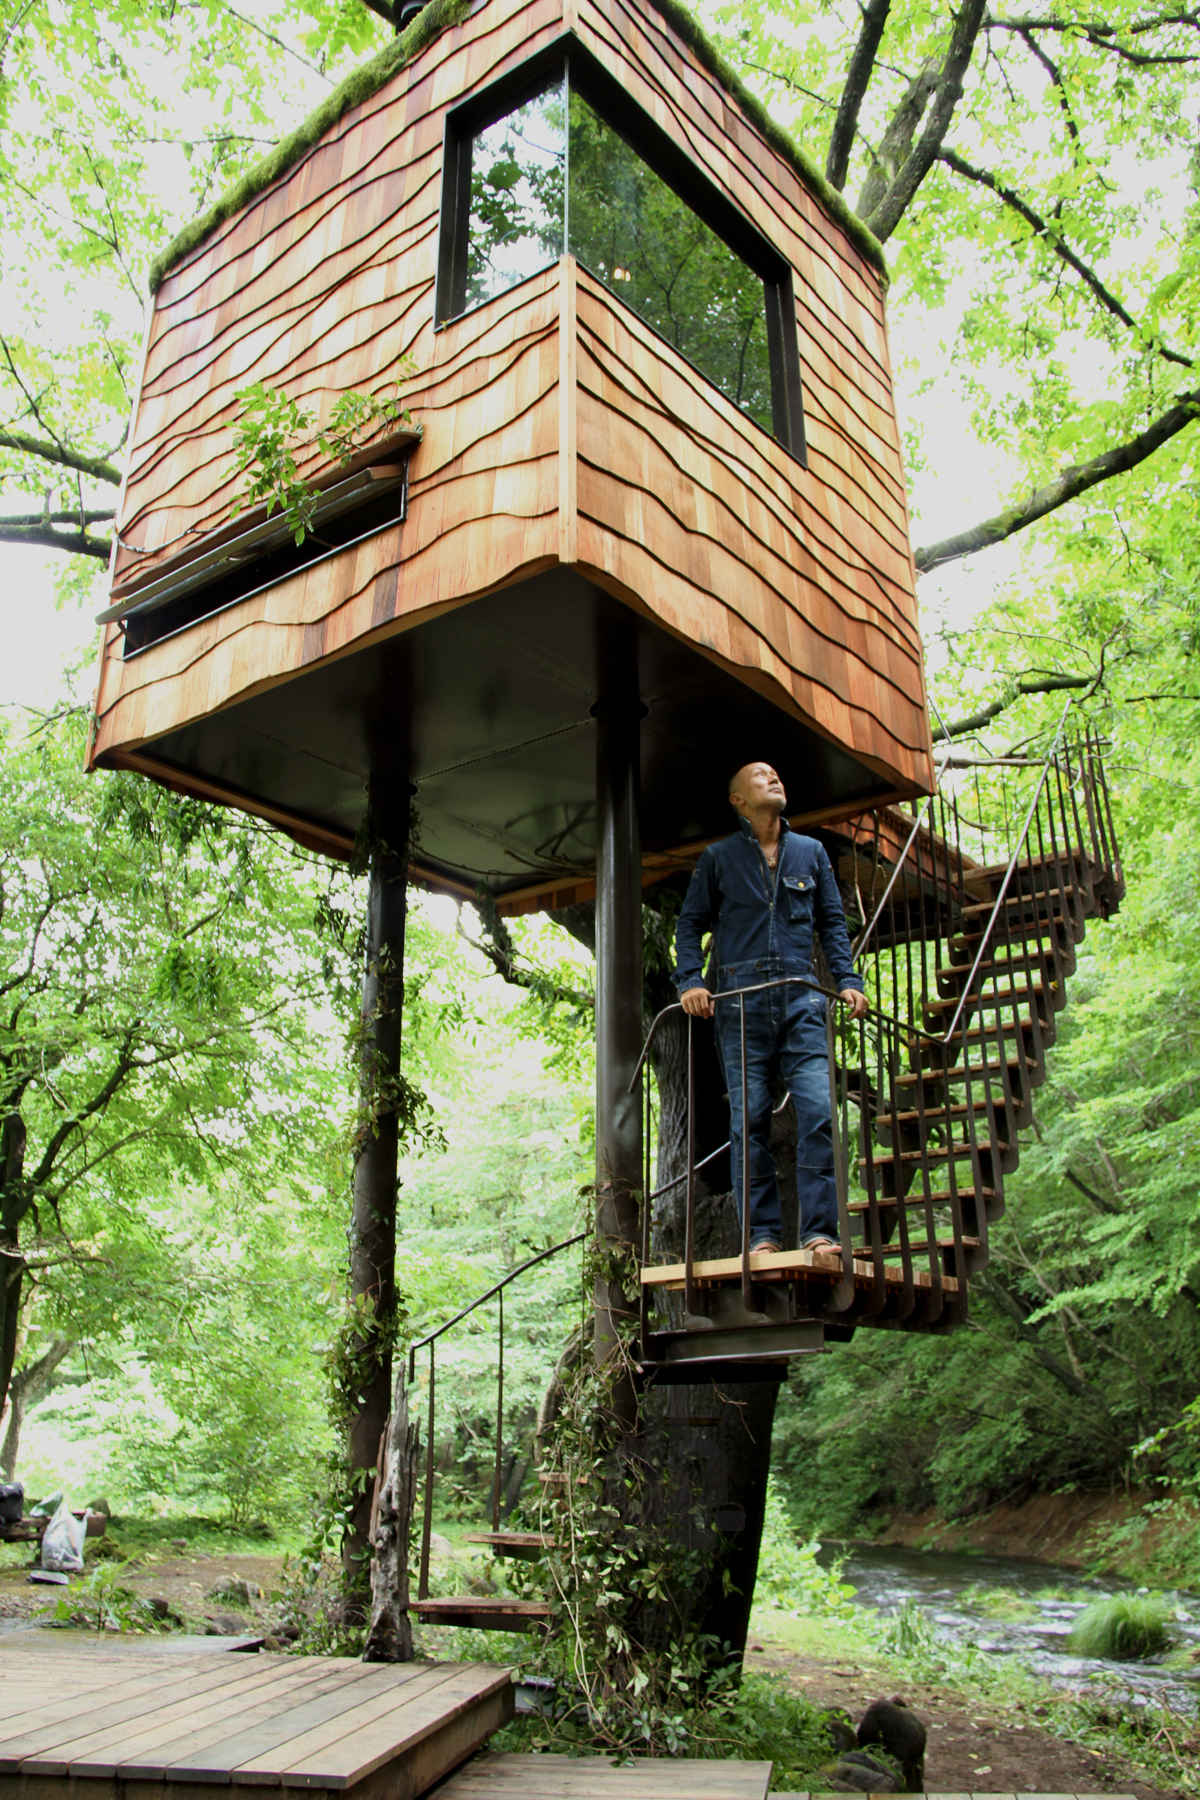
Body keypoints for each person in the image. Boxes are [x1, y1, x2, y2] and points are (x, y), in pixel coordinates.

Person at [673, 762, 868, 1257]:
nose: (775, 778)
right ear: (738, 799)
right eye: (761, 776)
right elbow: (689, 925)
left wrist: (847, 981)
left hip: (801, 997)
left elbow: (832, 923)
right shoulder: (718, 858)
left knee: (819, 1111)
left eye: (778, 774)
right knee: (750, 1119)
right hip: (739, 1005)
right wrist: (692, 981)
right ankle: (760, 1237)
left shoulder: (812, 853)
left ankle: (820, 1232)